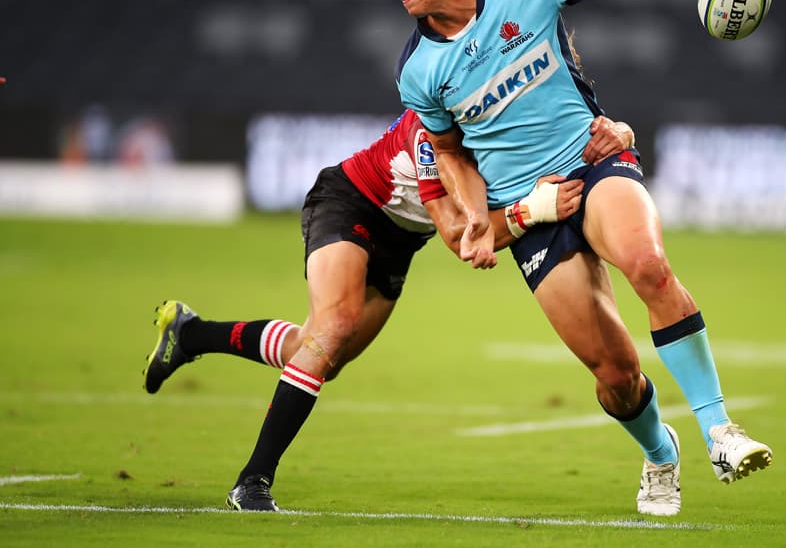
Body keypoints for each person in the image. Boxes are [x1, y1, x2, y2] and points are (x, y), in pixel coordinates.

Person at [370, 0, 773, 517]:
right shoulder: (419, 70)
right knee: (615, 375)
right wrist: (479, 214)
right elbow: (449, 152)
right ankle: (660, 452)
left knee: (648, 265)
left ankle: (720, 431)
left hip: (593, 163)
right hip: (534, 212)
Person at [142, 108, 635, 511]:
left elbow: (580, 130)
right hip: (349, 203)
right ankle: (252, 482)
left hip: (400, 241)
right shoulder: (431, 131)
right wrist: (533, 210)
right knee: (333, 327)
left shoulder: (504, 121)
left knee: (317, 354)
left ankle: (190, 334)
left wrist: (619, 132)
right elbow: (452, 231)